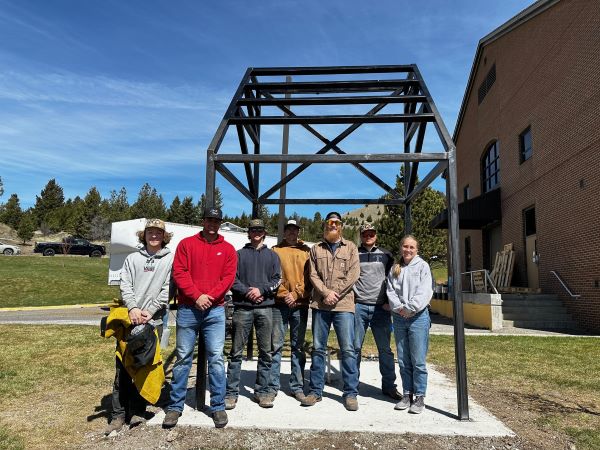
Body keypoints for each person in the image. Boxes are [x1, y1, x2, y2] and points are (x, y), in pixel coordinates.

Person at [163, 207, 237, 429]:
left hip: (215, 310)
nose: (212, 224)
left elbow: (228, 278)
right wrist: (196, 296)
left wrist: (210, 297)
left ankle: (217, 406)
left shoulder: (228, 249)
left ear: (220, 223)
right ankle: (175, 407)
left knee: (216, 358)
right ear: (203, 221)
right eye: (209, 220)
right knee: (183, 357)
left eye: (216, 221)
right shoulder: (186, 244)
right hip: (188, 309)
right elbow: (180, 272)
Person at [106, 218, 174, 434]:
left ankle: (137, 411)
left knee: (145, 365)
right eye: (150, 232)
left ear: (164, 236)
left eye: (158, 232)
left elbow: (168, 289)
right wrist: (133, 308)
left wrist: (150, 311)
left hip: (153, 320)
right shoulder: (132, 258)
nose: (154, 236)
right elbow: (125, 285)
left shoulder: (170, 260)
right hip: (130, 319)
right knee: (123, 366)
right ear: (143, 235)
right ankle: (117, 415)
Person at [302, 212, 361, 411]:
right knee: (318, 349)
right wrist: (326, 293)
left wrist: (334, 293)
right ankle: (315, 391)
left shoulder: (351, 247)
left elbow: (354, 274)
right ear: (325, 226)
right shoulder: (315, 249)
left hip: (344, 305)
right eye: (329, 222)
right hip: (321, 305)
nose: (333, 225)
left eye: (336, 222)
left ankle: (351, 393)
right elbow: (313, 274)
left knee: (348, 349)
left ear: (341, 226)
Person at [225, 218, 281, 409]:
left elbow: (277, 280)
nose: (256, 232)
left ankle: (262, 392)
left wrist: (261, 291)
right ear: (248, 233)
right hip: (243, 308)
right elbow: (232, 279)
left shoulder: (273, 256)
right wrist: (249, 291)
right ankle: (231, 393)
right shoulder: (238, 254)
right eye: (253, 230)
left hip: (266, 308)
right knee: (236, 352)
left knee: (266, 352)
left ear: (264, 232)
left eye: (259, 229)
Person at [386, 234, 433, 414]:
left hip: (418, 317)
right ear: (401, 248)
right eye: (405, 246)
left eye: (412, 247)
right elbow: (390, 290)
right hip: (399, 318)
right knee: (404, 359)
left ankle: (420, 397)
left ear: (417, 250)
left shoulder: (423, 266)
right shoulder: (395, 268)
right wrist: (399, 308)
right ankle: (407, 394)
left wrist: (410, 308)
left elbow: (424, 291)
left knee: (418, 360)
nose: (408, 250)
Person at [353, 222, 400, 400]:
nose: (368, 236)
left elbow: (394, 280)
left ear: (376, 235)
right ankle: (352, 385)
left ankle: (389, 386)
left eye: (371, 233)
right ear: (361, 235)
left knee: (385, 350)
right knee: (355, 348)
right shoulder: (354, 253)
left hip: (381, 308)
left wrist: (389, 302)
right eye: (365, 233)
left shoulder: (386, 254)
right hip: (359, 306)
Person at [269, 219, 312, 403]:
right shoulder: (275, 251)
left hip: (300, 304)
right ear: (284, 232)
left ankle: (297, 386)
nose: (292, 233)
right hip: (279, 304)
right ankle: (271, 387)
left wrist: (296, 294)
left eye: (295, 230)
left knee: (298, 347)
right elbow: (271, 276)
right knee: (275, 346)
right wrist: (285, 293)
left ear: (298, 232)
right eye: (288, 230)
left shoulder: (307, 252)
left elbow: (311, 277)